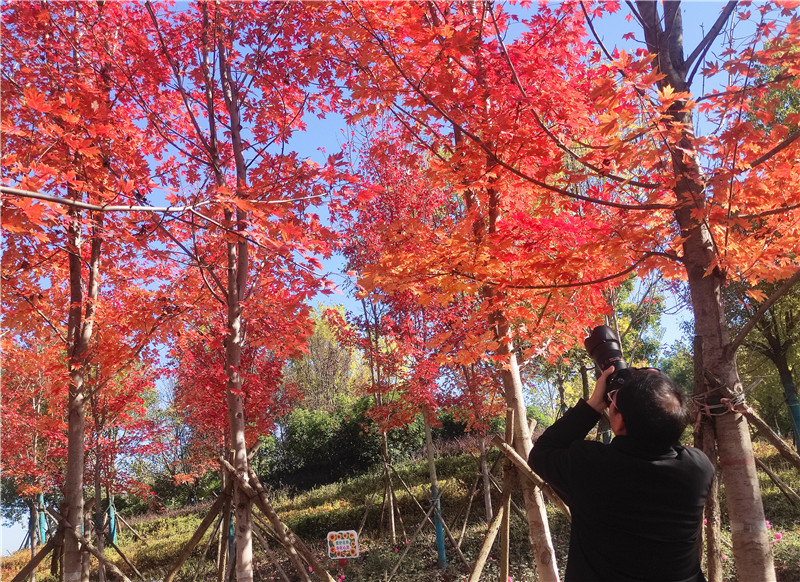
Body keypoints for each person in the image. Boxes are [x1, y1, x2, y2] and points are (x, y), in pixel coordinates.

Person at [529, 365, 714, 582]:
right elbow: (663, 436)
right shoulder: (699, 469)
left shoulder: (590, 466)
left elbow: (542, 452)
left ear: (619, 420)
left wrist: (595, 404)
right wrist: (655, 392)